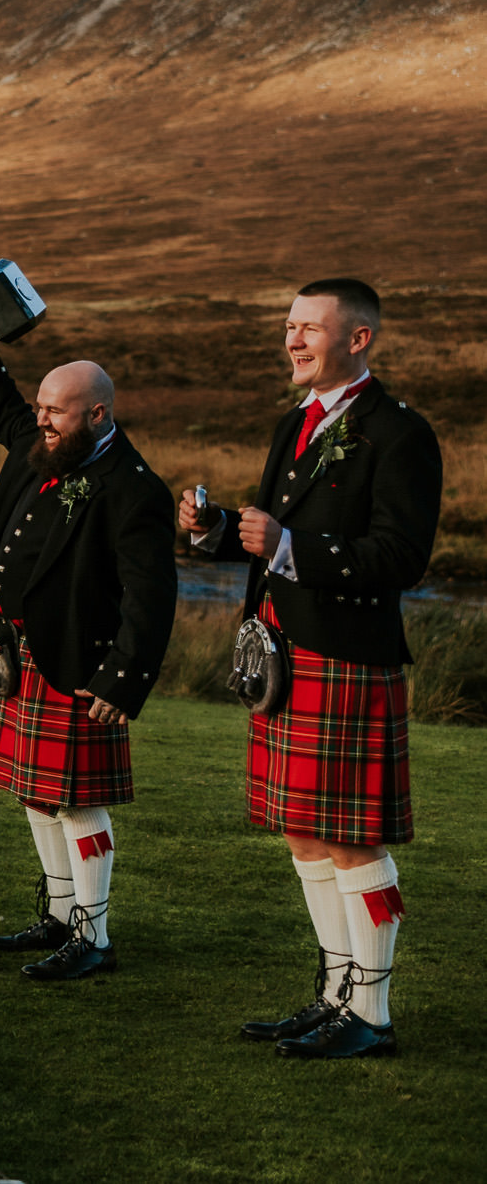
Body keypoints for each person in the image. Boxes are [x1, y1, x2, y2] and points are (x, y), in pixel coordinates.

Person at [179, 279, 440, 1059]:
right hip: (287, 658)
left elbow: (402, 558)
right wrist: (219, 528)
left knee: (354, 839)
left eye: (308, 328)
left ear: (357, 339)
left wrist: (289, 546)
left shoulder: (399, 433)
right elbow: (275, 533)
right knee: (304, 833)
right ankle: (334, 994)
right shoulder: (298, 421)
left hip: (348, 655)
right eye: (289, 326)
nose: (292, 340)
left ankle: (373, 1014)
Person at [0, 306, 175, 981]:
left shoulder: (135, 492)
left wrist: (123, 677)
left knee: (76, 799)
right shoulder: (45, 444)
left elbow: (151, 595)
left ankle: (93, 935)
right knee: (33, 790)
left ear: (98, 416)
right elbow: (6, 413)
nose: (41, 419)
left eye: (57, 411)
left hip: (77, 657)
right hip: (17, 648)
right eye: (42, 407)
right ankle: (57, 910)